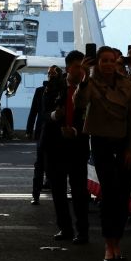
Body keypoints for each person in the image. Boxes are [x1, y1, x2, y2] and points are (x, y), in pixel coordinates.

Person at [74, 45, 131, 261]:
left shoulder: (126, 85)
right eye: (104, 61)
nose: (108, 65)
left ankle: (117, 241)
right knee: (110, 194)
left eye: (112, 60)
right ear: (98, 63)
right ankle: (108, 244)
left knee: (123, 196)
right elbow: (80, 103)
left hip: (123, 144)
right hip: (102, 142)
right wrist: (83, 79)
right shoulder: (91, 84)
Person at [44, 51, 91, 245]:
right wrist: (56, 115)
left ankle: (82, 231)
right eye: (77, 67)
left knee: (80, 191)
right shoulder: (55, 87)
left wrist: (76, 131)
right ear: (68, 68)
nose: (81, 71)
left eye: (83, 67)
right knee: (58, 191)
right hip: (56, 146)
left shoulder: (88, 88)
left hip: (78, 145)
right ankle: (65, 227)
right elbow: (44, 113)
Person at [25, 69, 55, 205]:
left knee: (44, 164)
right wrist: (29, 129)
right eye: (50, 74)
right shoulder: (40, 91)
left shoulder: (59, 91)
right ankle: (36, 194)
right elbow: (34, 111)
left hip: (52, 132)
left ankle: (39, 192)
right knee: (40, 164)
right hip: (43, 132)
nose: (51, 76)